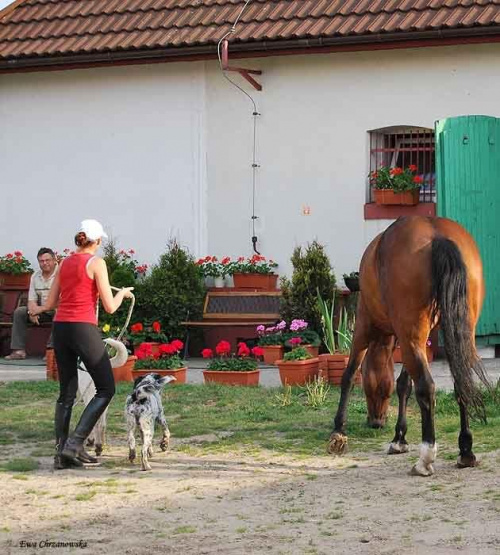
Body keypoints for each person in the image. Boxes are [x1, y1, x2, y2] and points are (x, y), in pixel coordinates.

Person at [32, 219, 134, 470]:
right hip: (82, 327)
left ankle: (61, 453)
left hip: (61, 329)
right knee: (106, 389)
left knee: (66, 393)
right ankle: (75, 445)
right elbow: (110, 307)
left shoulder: (64, 263)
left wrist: (39, 307)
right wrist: (122, 294)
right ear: (97, 241)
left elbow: (53, 301)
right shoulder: (97, 263)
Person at [5, 248, 58, 360]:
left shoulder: (61, 274)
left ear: (54, 260)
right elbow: (31, 299)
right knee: (20, 312)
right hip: (42, 311)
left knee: (60, 314)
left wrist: (38, 310)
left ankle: (51, 351)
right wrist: (31, 312)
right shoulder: (35, 276)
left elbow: (60, 301)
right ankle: (18, 351)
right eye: (41, 261)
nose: (44, 263)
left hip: (57, 309)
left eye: (47, 260)